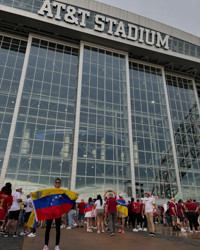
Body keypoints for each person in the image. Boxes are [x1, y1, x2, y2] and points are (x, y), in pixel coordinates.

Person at [42, 178, 62, 250]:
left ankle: (57, 245)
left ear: (60, 184)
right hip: (50, 212)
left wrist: (75, 195)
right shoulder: (50, 191)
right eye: (56, 182)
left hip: (58, 212)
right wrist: (34, 194)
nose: (57, 183)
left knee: (58, 229)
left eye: (59, 182)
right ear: (54, 183)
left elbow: (67, 199)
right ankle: (46, 245)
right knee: (48, 228)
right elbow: (43, 196)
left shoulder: (62, 192)